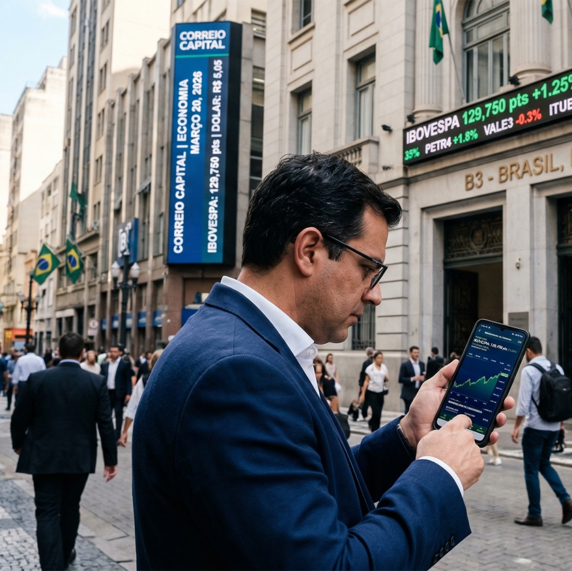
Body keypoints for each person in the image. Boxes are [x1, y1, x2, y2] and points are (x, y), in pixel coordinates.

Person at [132, 153, 512, 569]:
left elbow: (305, 492)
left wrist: (407, 435)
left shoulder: (244, 345)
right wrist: (440, 473)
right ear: (309, 250)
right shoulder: (236, 372)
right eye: (367, 268)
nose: (375, 294)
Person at [11, 332, 118, 571]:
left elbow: (19, 416)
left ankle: (52, 565)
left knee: (47, 511)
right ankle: (64, 553)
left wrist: (19, 443)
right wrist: (110, 459)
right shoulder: (95, 382)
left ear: (58, 352)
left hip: (44, 455)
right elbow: (105, 423)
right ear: (82, 353)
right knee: (71, 507)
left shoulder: (38, 379)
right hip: (78, 457)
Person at [510, 336, 572, 527]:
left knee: (531, 469)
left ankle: (534, 514)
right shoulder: (558, 368)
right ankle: (565, 499)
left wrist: (516, 426)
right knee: (544, 464)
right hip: (553, 427)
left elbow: (523, 405)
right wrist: (560, 424)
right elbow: (562, 400)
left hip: (535, 428)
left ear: (528, 351)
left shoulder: (529, 370)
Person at [119, 349, 162, 447]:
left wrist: (125, 431)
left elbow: (132, 407)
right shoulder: (176, 380)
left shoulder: (144, 380)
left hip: (147, 427)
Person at [100, 345, 135, 434]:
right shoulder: (105, 364)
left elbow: (128, 379)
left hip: (119, 392)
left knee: (118, 413)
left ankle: (118, 433)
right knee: (107, 414)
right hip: (107, 392)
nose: (113, 353)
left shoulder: (124, 364)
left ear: (120, 353)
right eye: (111, 351)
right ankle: (109, 432)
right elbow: (101, 378)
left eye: (115, 351)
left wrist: (128, 393)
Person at [361, 351, 389, 432]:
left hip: (380, 392)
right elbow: (366, 381)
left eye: (381, 358)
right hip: (372, 392)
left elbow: (387, 378)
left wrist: (386, 377)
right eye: (378, 358)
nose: (380, 360)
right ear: (375, 359)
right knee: (375, 412)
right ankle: (374, 430)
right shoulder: (370, 368)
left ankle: (375, 427)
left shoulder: (384, 367)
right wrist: (363, 394)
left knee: (379, 412)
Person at [399, 346, 426, 413]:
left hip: (418, 392)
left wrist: (423, 378)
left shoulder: (422, 364)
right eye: (415, 352)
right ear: (410, 353)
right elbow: (400, 379)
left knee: (417, 412)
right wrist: (413, 379)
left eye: (417, 352)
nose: (416, 354)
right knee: (408, 412)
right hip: (408, 392)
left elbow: (423, 376)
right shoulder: (405, 365)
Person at [357, 346, 375, 421]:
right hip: (374, 385)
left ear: (367, 353)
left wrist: (361, 386)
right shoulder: (375, 362)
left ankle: (363, 415)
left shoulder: (366, 363)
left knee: (363, 400)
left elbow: (363, 375)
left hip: (366, 385)